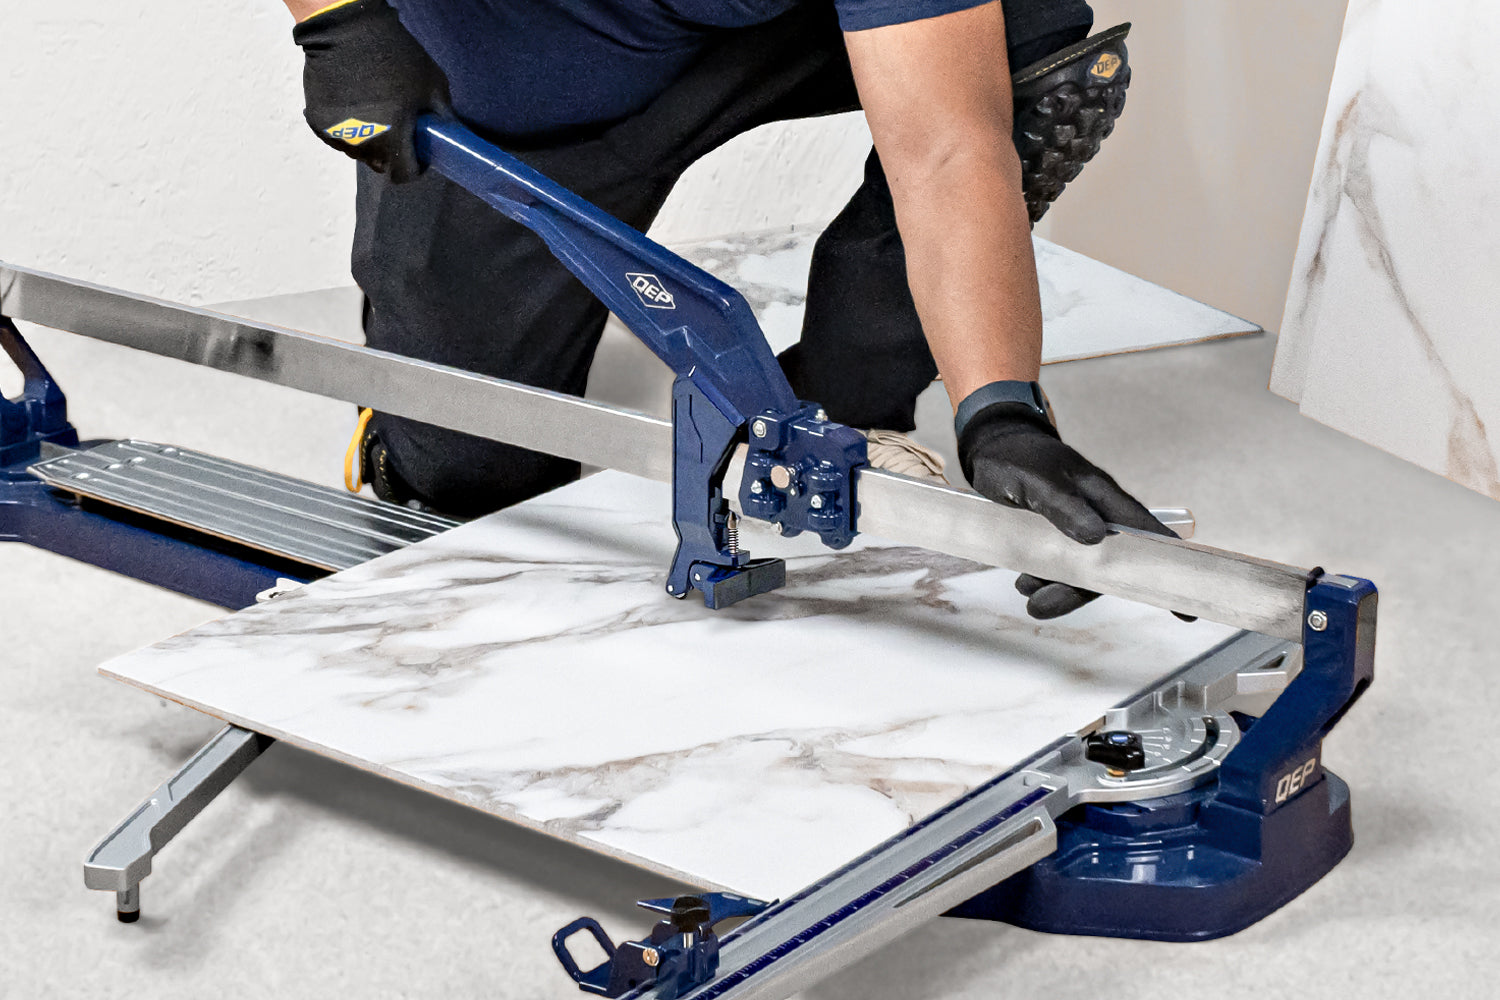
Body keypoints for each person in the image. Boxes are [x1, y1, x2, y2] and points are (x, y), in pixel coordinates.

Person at [282, 0, 1178, 619]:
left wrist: (1001, 411)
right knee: (464, 479)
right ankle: (418, 440)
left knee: (1028, 59)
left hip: (754, 37)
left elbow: (946, 150)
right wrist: (340, 21)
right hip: (520, 88)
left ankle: (845, 397)